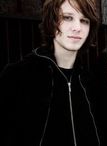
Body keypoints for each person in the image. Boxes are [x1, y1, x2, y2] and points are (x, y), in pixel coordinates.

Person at [0, 0, 100, 145]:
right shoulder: (17, 76)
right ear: (51, 21)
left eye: (84, 20)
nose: (77, 28)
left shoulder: (91, 83)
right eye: (67, 17)